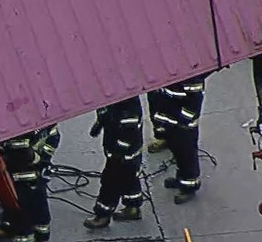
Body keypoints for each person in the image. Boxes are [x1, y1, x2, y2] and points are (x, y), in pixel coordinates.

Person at [0, 124, 60, 242]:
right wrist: (42, 159)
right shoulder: (47, 119)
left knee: (20, 211)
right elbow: (54, 137)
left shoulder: (19, 125)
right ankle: (40, 241)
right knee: (39, 206)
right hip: (39, 173)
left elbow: (20, 152)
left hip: (21, 175)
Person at [148, 72, 212, 204]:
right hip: (171, 122)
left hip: (184, 127)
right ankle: (181, 178)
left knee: (186, 155)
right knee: (177, 152)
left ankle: (189, 186)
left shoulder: (190, 74)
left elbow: (194, 102)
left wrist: (183, 121)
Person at [84, 97, 144, 229]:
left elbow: (129, 132)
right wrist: (99, 124)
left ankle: (103, 214)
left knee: (110, 183)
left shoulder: (127, 105)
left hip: (123, 154)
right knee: (130, 178)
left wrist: (118, 151)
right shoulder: (115, 97)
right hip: (121, 151)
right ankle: (132, 206)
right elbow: (107, 113)